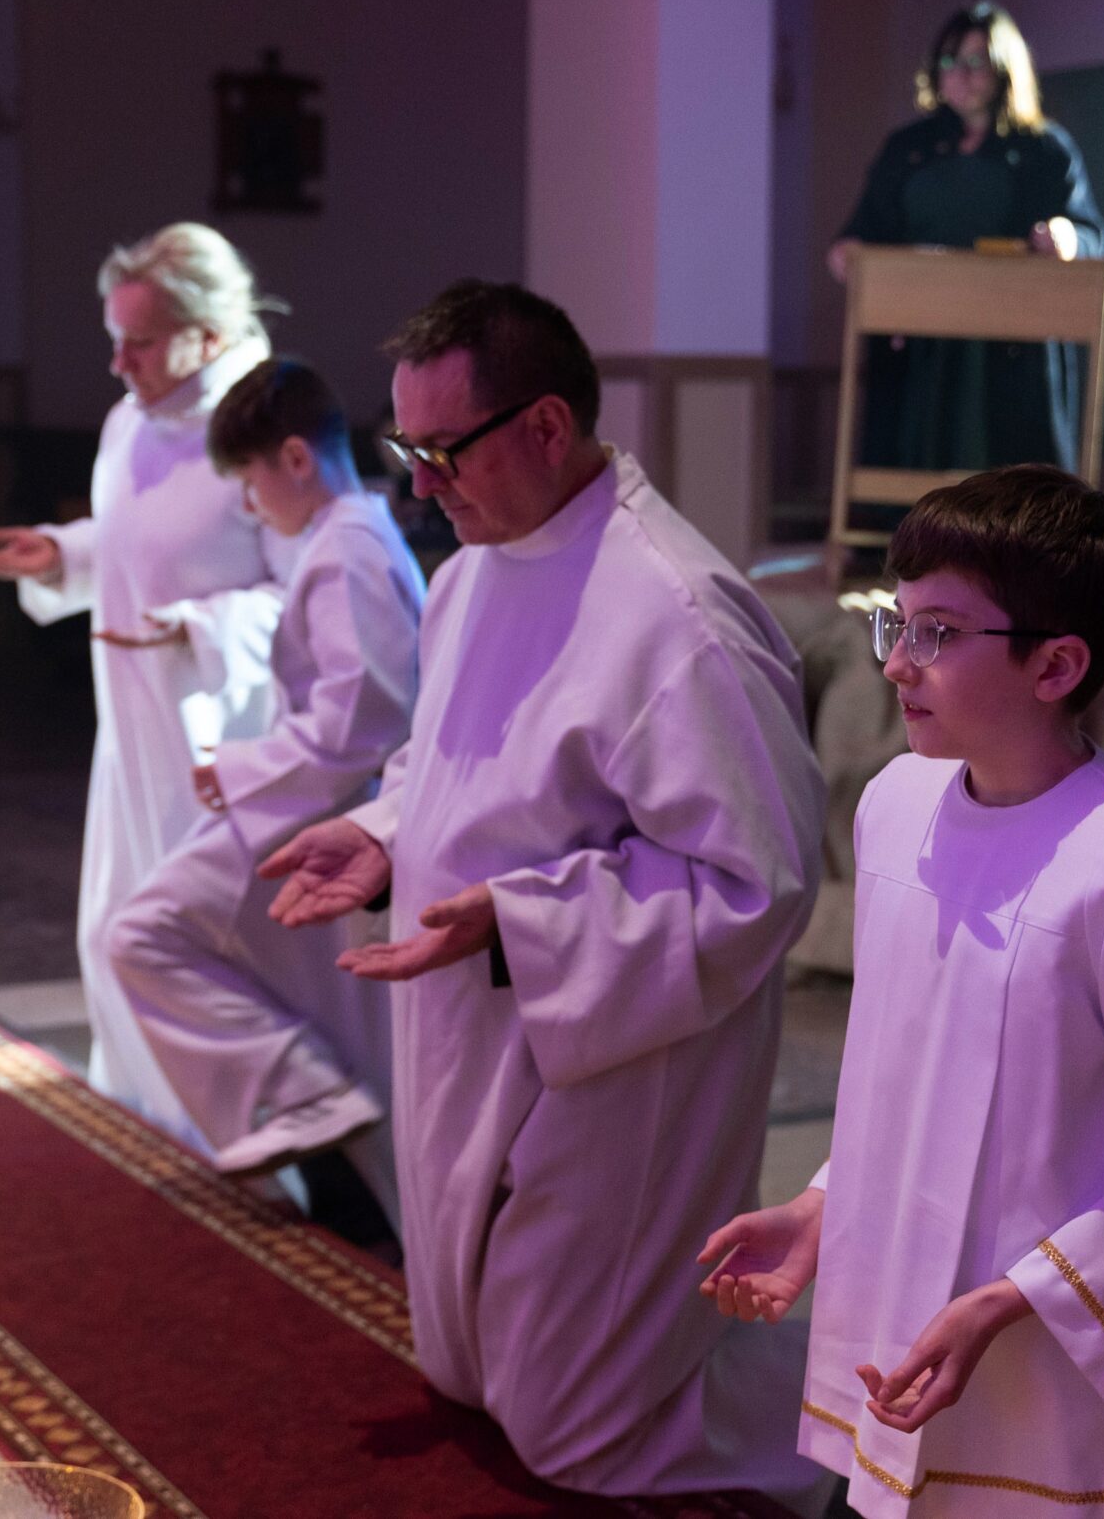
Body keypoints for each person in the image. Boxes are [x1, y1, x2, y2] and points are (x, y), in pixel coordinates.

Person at [259, 281, 829, 1503]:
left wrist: (521, 919)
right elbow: (454, 767)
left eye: (443, 450)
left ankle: (868, 1423)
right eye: (405, 449)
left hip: (617, 1051)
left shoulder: (676, 613)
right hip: (474, 1016)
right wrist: (384, 834)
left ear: (547, 425)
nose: (421, 485)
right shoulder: (472, 574)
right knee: (469, 1372)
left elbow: (757, 878)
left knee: (580, 1424)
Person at [700, 466, 1104, 1518]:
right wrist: (826, 1205)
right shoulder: (896, 805)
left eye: (935, 634)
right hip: (905, 1322)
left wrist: (1018, 1299)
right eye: (895, 623)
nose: (895, 664)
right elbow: (905, 1074)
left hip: (1054, 1371)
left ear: (1056, 663)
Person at [0, 223, 293, 1142]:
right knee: (111, 928)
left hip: (222, 739)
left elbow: (308, 593)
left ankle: (230, 1142)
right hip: (130, 733)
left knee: (195, 947)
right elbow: (136, 542)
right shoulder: (128, 422)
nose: (118, 363)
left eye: (140, 342)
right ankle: (143, 1123)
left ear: (207, 331)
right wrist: (62, 554)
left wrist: (200, 627)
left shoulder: (267, 427)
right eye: (115, 338)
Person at [105, 358, 422, 1212]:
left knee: (142, 932)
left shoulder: (346, 551)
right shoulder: (344, 540)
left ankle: (302, 1092)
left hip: (329, 811)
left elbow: (364, 720)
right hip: (313, 800)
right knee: (317, 1002)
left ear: (294, 458)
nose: (250, 504)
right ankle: (331, 1146)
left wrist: (237, 767)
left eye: (249, 479)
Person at [829, 1, 1104, 473]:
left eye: (976, 61)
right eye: (950, 60)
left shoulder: (1044, 149)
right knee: (916, 468)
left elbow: (1091, 234)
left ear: (1003, 69)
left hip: (1010, 350)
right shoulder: (908, 148)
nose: (962, 74)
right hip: (920, 345)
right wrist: (849, 254)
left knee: (1005, 477)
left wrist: (1066, 238)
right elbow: (863, 232)